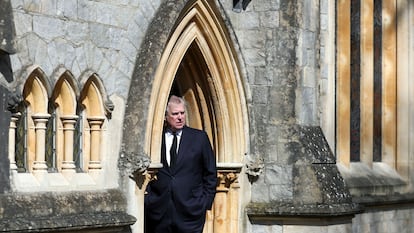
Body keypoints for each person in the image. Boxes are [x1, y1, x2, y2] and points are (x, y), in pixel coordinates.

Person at [145, 95, 217, 233]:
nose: (180, 117)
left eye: (182, 113)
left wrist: (204, 203)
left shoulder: (199, 138)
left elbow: (210, 173)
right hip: (158, 213)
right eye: (175, 114)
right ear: (165, 116)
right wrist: (148, 200)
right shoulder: (154, 139)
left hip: (190, 213)